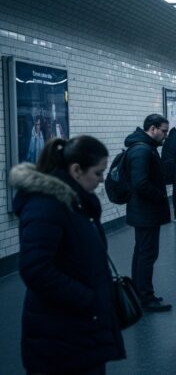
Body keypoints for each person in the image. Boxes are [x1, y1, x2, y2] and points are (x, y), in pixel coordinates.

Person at [11, 136, 126, 374]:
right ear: (76, 170)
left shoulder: (74, 203)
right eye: (98, 172)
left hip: (77, 330)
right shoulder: (45, 206)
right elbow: (36, 269)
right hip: (59, 335)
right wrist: (88, 299)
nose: (102, 179)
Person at [125, 114, 172, 311]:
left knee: (142, 252)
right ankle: (145, 297)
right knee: (147, 254)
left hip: (142, 210)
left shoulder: (143, 147)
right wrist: (160, 196)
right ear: (152, 129)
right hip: (145, 211)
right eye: (163, 131)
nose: (165, 135)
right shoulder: (143, 150)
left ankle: (140, 293)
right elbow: (140, 183)